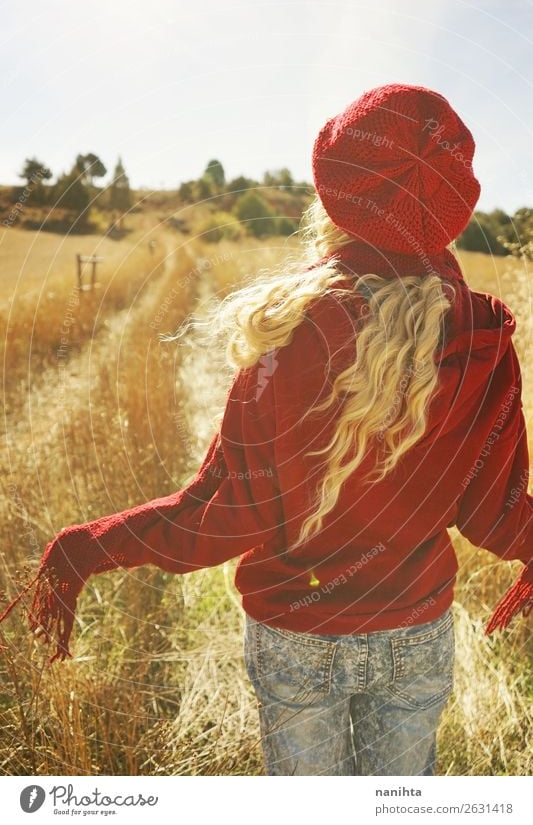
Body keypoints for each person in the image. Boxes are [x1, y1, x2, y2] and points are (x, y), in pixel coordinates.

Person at [1, 83, 531, 776]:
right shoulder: (483, 336)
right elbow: (493, 513)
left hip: (295, 635)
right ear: (450, 209)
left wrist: (86, 547)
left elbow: (220, 519)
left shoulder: (290, 334)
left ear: (332, 195)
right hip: (413, 632)